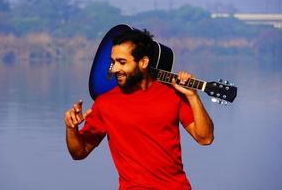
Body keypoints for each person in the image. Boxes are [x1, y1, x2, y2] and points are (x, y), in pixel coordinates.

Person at [64, 28, 214, 189]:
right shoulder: (105, 103)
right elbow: (79, 152)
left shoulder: (173, 95)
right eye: (113, 61)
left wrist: (193, 96)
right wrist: (71, 129)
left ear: (143, 62)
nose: (114, 69)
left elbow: (205, 138)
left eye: (122, 62)